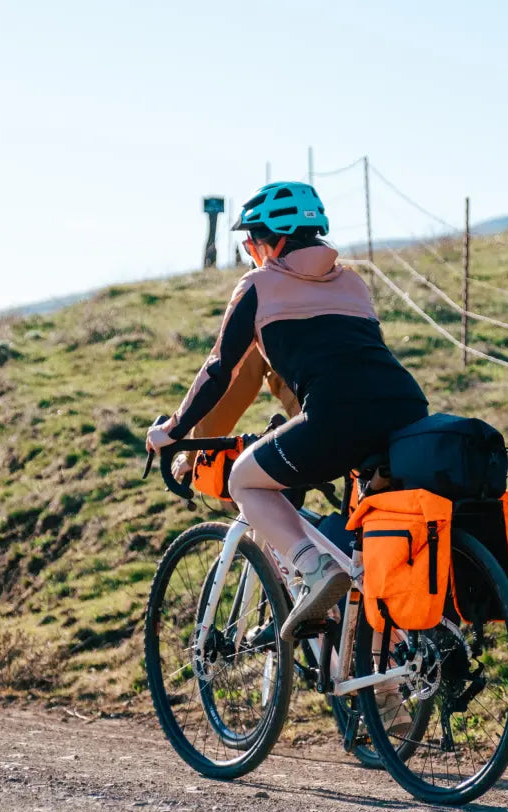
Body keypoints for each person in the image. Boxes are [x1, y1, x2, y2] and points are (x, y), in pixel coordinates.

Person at [147, 181, 428, 643]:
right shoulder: (354, 282)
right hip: (407, 412)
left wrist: (174, 430)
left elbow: (220, 368)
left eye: (251, 242)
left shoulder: (259, 284)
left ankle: (313, 568)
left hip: (336, 418)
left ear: (274, 240)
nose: (250, 252)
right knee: (369, 558)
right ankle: (389, 698)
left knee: (242, 478)